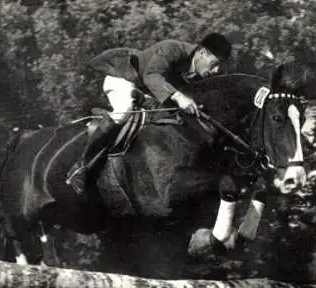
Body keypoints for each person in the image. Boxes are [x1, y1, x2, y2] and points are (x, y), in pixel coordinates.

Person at [66, 33, 232, 194]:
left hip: (148, 91)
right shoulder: (172, 49)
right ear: (202, 52)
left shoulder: (199, 74)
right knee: (124, 110)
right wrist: (179, 96)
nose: (216, 70)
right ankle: (81, 166)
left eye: (220, 66)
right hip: (124, 79)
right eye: (214, 64)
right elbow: (151, 75)